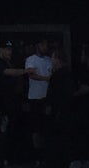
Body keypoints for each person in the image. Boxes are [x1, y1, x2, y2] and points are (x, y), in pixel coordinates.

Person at [25, 38, 53, 167]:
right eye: (43, 44)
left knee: (47, 128)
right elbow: (31, 74)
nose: (45, 47)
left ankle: (46, 155)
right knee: (36, 129)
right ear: (38, 45)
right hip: (35, 98)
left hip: (47, 98)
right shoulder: (31, 60)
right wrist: (45, 78)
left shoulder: (49, 60)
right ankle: (37, 156)